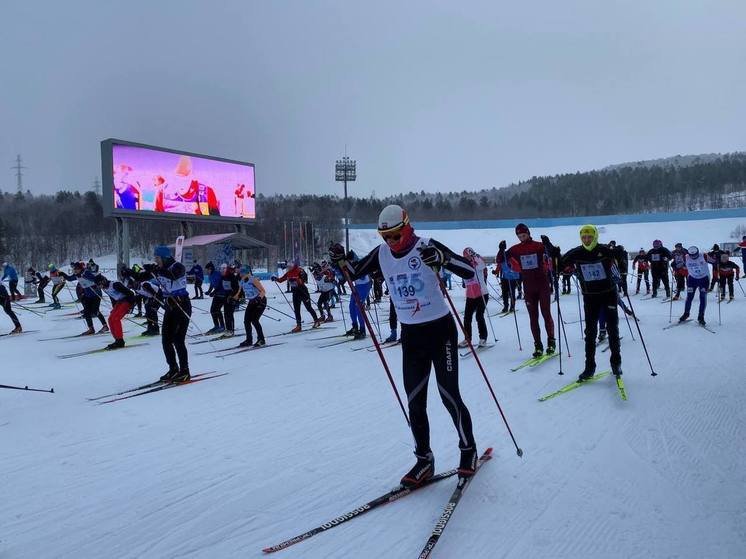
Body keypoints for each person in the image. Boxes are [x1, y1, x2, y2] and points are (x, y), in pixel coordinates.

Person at [330, 204, 479, 486]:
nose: (391, 241)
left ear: (407, 227)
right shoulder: (382, 254)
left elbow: (469, 271)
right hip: (411, 335)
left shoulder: (426, 246)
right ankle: (424, 460)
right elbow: (353, 272)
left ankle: (467, 449)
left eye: (396, 235)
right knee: (415, 400)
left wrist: (442, 259)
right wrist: (340, 259)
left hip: (440, 331)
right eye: (385, 236)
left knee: (448, 395)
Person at [544, 225, 623, 381]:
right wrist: (554, 253)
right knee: (590, 333)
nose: (587, 240)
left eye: (590, 237)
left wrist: (619, 253)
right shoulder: (577, 252)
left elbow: (618, 259)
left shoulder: (604, 250)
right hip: (590, 297)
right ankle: (589, 367)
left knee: (613, 329)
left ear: (595, 237)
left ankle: (616, 363)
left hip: (608, 294)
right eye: (584, 237)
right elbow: (559, 266)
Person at [139, 246, 192, 382]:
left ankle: (185, 370)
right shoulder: (159, 270)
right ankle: (173, 369)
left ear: (164, 257)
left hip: (182, 305)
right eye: (155, 258)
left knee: (178, 340)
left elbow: (173, 276)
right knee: (166, 340)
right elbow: (159, 287)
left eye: (157, 258)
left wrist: (156, 270)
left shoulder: (177, 266)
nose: (156, 261)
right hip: (170, 307)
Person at [506, 223, 555, 358]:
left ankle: (551, 342)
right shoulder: (516, 249)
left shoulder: (538, 246)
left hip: (542, 285)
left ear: (528, 233)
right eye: (519, 236)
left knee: (546, 314)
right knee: (533, 318)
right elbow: (501, 259)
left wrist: (548, 244)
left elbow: (553, 253)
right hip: (528, 287)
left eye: (524, 235)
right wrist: (501, 250)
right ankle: (538, 346)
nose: (522, 237)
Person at [271, 259, 321, 332]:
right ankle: (299, 326)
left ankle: (316, 321)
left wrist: (297, 280)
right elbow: (281, 280)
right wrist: (275, 278)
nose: (288, 267)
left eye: (289, 266)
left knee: (308, 307)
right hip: (295, 293)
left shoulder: (299, 270)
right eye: (287, 266)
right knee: (296, 310)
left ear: (293, 265)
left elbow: (304, 280)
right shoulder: (288, 273)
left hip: (303, 291)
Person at [60, 262, 109, 335]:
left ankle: (105, 326)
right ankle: (91, 329)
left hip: (96, 293)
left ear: (80, 269)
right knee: (86, 312)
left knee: (95, 310)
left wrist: (85, 277)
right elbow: (70, 279)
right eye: (74, 269)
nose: (75, 270)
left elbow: (94, 279)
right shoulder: (77, 274)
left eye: (76, 269)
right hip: (88, 295)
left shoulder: (86, 272)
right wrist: (63, 274)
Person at [95, 274, 136, 349]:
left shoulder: (115, 284)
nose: (99, 287)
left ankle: (120, 341)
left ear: (103, 281)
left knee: (116, 319)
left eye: (99, 284)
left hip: (126, 301)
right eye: (98, 285)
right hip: (119, 302)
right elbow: (112, 297)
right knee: (110, 319)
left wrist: (131, 307)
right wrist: (114, 308)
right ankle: (117, 339)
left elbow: (131, 294)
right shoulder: (105, 288)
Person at [460, 247, 489, 348]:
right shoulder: (465, 266)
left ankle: (483, 338)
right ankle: (467, 339)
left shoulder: (477, 264)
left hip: (482, 294)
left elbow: (483, 264)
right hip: (470, 295)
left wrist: (474, 255)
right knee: (467, 318)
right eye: (465, 256)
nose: (467, 258)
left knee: (479, 316)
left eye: (468, 255)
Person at [344, 250, 372, 339]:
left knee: (358, 307)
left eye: (349, 261)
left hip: (365, 285)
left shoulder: (358, 263)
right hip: (358, 286)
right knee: (351, 306)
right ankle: (355, 327)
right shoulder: (350, 263)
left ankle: (362, 330)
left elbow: (361, 276)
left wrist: (350, 270)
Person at [679, 246, 710, 325]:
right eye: (691, 255)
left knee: (702, 297)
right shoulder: (686, 257)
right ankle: (686, 314)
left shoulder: (703, 256)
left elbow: (714, 261)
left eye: (695, 255)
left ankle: (701, 316)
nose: (693, 257)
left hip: (704, 279)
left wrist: (718, 262)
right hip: (692, 280)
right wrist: (676, 266)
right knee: (689, 297)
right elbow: (679, 264)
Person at [238, 265, 267, 347]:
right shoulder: (242, 281)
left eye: (241, 272)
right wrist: (234, 298)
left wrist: (259, 298)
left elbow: (263, 291)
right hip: (251, 302)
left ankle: (261, 339)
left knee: (254, 320)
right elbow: (240, 293)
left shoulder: (253, 280)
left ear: (245, 272)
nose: (240, 274)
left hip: (260, 301)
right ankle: (249, 340)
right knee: (246, 321)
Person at [493, 240, 520, 313]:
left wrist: (511, 266)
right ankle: (505, 306)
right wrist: (496, 272)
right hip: (504, 277)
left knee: (511, 292)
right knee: (504, 293)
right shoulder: (501, 256)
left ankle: (512, 307)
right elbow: (499, 265)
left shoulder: (510, 258)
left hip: (512, 277)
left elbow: (518, 267)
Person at [205, 262, 226, 334]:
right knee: (212, 310)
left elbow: (220, 285)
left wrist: (213, 292)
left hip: (222, 294)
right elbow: (212, 284)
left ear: (211, 268)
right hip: (217, 294)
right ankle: (216, 326)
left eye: (207, 269)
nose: (207, 271)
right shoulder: (210, 275)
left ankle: (222, 326)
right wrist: (209, 291)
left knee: (217, 310)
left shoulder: (217, 274)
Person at [220, 263, 241, 336]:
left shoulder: (233, 277)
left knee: (229, 314)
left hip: (232, 297)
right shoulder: (224, 277)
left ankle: (231, 330)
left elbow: (236, 289)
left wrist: (231, 296)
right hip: (226, 297)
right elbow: (222, 286)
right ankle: (228, 329)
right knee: (226, 313)